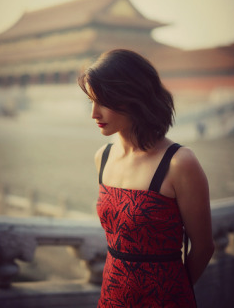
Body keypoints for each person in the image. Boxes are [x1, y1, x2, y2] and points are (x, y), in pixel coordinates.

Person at [78, 49, 214, 308]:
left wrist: (171, 292)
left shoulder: (179, 163)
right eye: (91, 101)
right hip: (112, 296)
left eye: (104, 101)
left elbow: (204, 247)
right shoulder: (102, 157)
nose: (94, 114)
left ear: (134, 98)